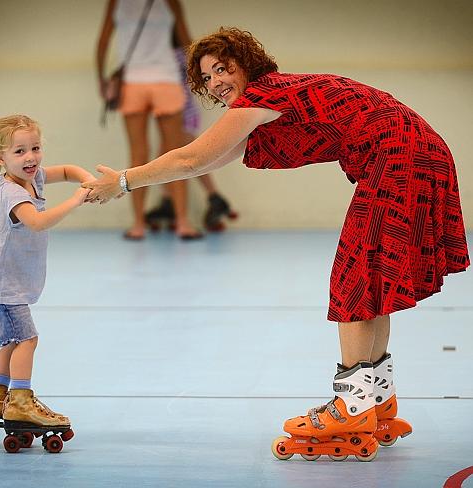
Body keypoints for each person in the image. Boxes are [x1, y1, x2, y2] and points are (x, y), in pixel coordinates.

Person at [83, 27, 470, 461]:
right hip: (416, 150)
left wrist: (122, 181)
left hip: (401, 156)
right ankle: (376, 401)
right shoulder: (269, 103)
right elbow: (197, 162)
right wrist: (128, 183)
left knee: (355, 282)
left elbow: (191, 156)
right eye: (207, 77)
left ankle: (351, 407)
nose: (215, 82)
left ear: (247, 64)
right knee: (371, 283)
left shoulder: (263, 95)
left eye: (222, 68)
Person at [0, 114, 91, 452]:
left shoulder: (31, 179)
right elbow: (37, 222)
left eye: (35, 148)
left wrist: (85, 178)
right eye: (19, 151)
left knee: (9, 342)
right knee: (26, 339)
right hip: (1, 287)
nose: (31, 157)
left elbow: (64, 171)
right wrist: (77, 199)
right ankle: (20, 401)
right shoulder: (10, 192)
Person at [97, 0, 202, 240]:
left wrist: (102, 79)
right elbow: (188, 42)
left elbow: (103, 42)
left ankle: (157, 223)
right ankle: (164, 222)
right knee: (157, 153)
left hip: (150, 79)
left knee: (156, 154)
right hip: (150, 80)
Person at [144, 31, 238, 233]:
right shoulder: (169, 57)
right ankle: (170, 200)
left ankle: (212, 197)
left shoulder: (173, 56)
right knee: (167, 154)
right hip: (178, 112)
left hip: (182, 112)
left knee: (183, 158)